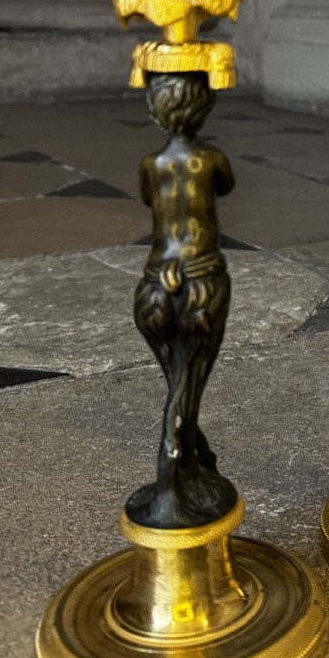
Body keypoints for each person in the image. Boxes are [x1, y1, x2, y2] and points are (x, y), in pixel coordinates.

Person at [127, 70, 238, 528]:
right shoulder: (211, 158)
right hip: (200, 282)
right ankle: (171, 477)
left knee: (179, 383)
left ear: (154, 112)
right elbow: (226, 187)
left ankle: (198, 459)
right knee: (185, 386)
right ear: (206, 107)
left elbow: (147, 200)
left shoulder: (151, 164)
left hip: (154, 285)